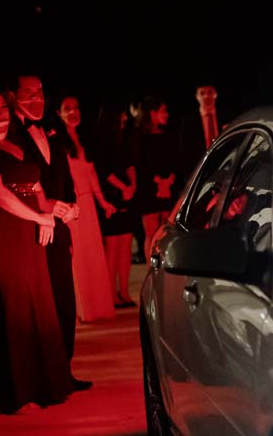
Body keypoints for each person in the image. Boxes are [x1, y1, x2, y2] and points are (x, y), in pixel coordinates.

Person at [0, 81, 72, 414]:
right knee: (12, 308)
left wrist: (47, 213)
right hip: (3, 230)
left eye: (2, 107)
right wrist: (39, 218)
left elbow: (35, 185)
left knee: (37, 304)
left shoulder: (16, 142)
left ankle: (45, 385)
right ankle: (15, 392)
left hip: (28, 228)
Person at [5, 72, 90, 391]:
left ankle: (62, 371)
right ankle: (39, 377)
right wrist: (44, 207)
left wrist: (72, 204)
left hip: (60, 228)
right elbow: (11, 181)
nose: (36, 99)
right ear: (13, 97)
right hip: (27, 230)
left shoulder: (52, 129)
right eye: (28, 93)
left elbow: (63, 174)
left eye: (40, 92)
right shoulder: (8, 132)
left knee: (64, 300)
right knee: (38, 306)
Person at [55, 93, 117, 323]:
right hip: (72, 204)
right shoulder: (57, 143)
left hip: (88, 203)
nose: (73, 112)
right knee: (78, 257)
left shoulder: (81, 140)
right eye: (67, 108)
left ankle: (98, 307)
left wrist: (103, 202)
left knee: (93, 253)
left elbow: (91, 175)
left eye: (76, 107)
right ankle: (82, 310)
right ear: (59, 113)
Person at [92, 99, 141, 308]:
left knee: (125, 246)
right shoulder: (101, 140)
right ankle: (111, 293)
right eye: (121, 114)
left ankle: (124, 292)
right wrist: (124, 187)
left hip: (127, 194)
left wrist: (133, 186)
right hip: (112, 196)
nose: (125, 117)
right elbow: (105, 171)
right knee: (112, 248)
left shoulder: (126, 137)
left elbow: (131, 164)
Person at [135, 95, 182, 253]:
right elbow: (141, 165)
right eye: (163, 111)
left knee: (167, 231)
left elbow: (176, 161)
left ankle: (165, 270)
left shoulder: (169, 136)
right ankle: (151, 269)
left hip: (168, 189)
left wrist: (168, 181)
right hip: (149, 191)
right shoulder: (140, 137)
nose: (167, 114)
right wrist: (158, 182)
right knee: (151, 233)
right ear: (152, 113)